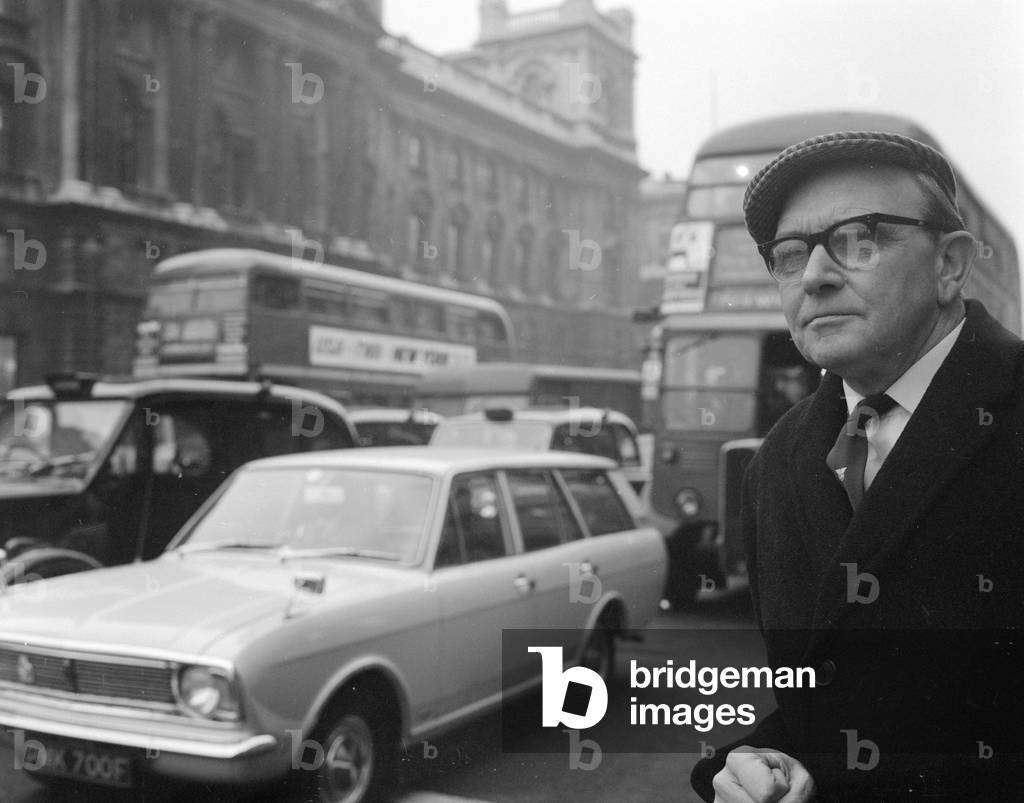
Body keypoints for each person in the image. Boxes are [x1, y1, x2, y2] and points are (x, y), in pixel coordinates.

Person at [690, 131, 1024, 801]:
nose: (813, 275)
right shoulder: (776, 462)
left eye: (861, 239)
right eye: (788, 255)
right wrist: (759, 759)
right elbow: (827, 695)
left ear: (950, 265)